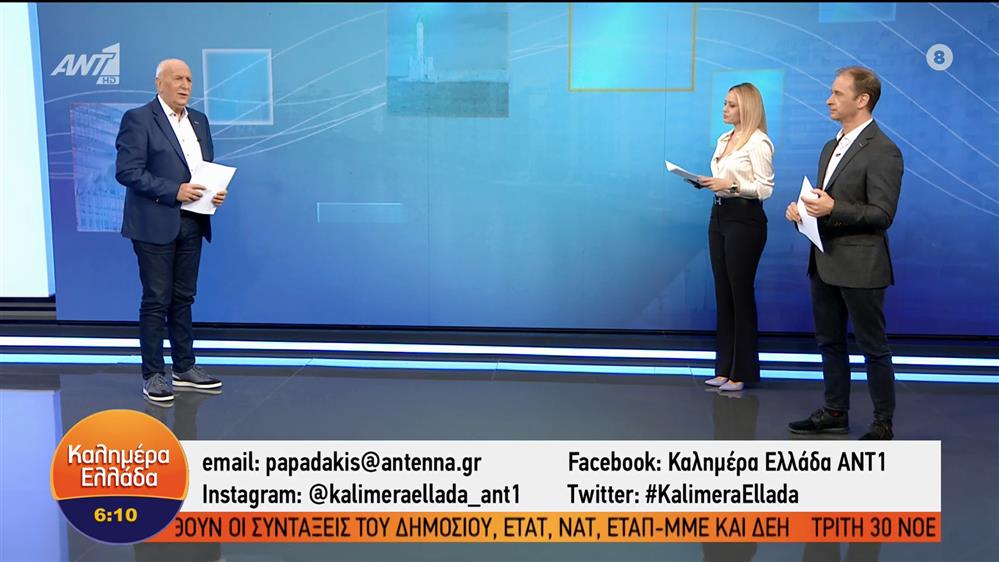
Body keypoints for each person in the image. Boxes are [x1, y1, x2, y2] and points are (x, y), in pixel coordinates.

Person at [785, 66, 903, 440]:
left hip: (862, 265)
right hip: (824, 260)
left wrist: (833, 208)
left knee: (873, 347)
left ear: (862, 99)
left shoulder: (883, 150)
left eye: (837, 93)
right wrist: (803, 213)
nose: (828, 100)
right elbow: (826, 202)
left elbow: (882, 214)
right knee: (829, 342)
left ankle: (882, 421)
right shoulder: (830, 147)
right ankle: (835, 411)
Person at [115, 58, 226, 405]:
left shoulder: (199, 120)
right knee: (156, 299)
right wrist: (173, 190)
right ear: (158, 83)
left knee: (184, 297)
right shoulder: (138, 119)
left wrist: (213, 193)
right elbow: (127, 171)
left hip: (193, 220)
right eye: (177, 78)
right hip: (153, 222)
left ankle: (184, 367)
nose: (185, 85)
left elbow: (203, 169)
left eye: (189, 79)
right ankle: (153, 374)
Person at [696, 83, 774, 392]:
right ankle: (723, 368)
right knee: (723, 292)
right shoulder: (724, 139)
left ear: (747, 108)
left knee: (740, 292)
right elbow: (722, 179)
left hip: (745, 218)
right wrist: (709, 183)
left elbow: (765, 188)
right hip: (719, 215)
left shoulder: (759, 142)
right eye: (725, 103)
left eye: (731, 105)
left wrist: (731, 186)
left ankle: (742, 371)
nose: (725, 109)